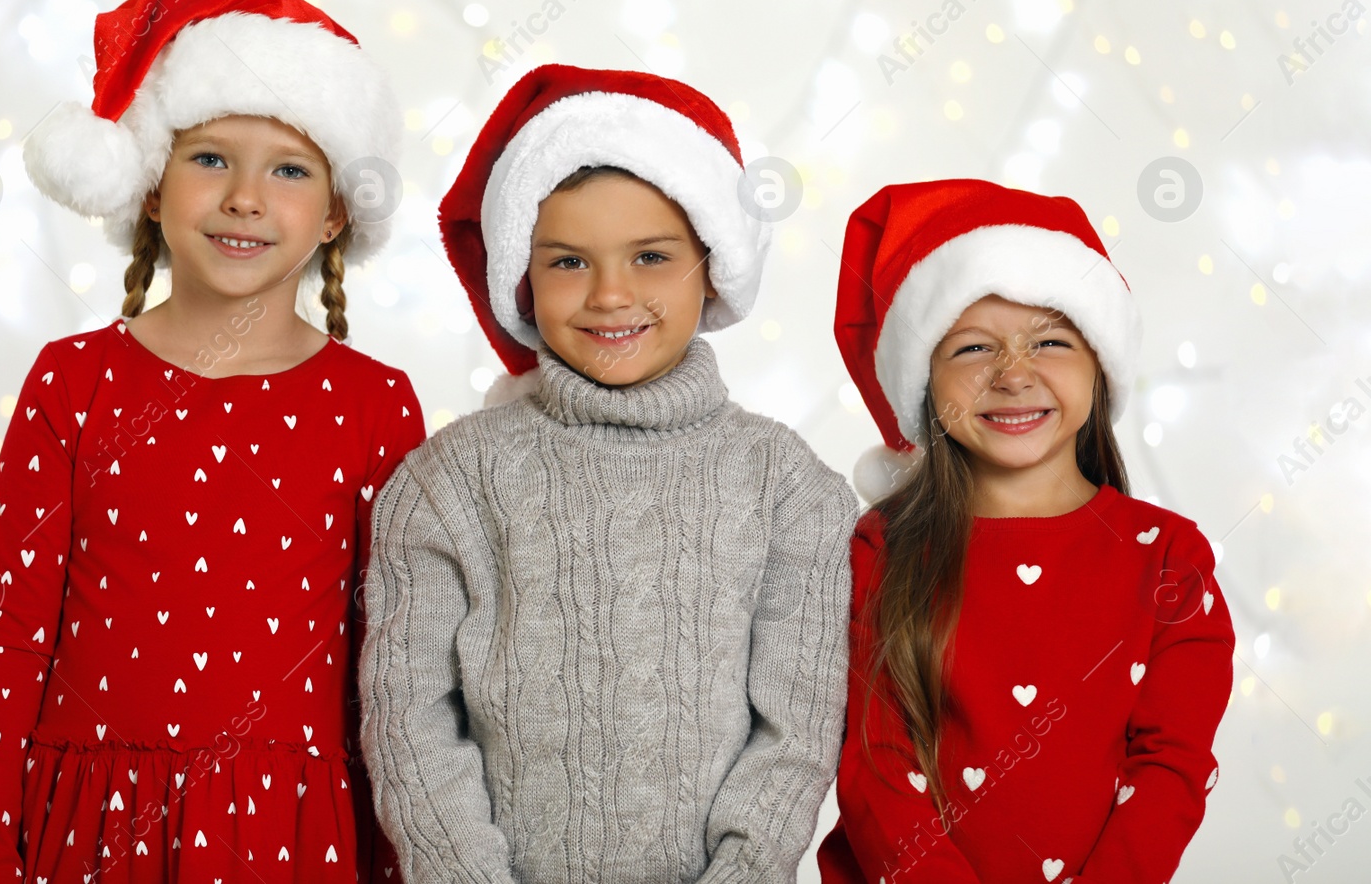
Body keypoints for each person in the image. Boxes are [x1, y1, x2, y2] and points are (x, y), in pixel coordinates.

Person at [0, 0, 423, 883]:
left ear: (334, 215)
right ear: (152, 190)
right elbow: (7, 636)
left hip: (293, 838)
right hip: (89, 829)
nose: (246, 197)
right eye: (210, 159)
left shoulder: (376, 405)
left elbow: (392, 661)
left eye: (289, 168)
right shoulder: (71, 382)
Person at [360, 64, 858, 883]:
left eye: (652, 257)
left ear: (712, 266)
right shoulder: (450, 482)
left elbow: (798, 731)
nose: (610, 295)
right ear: (522, 276)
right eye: (567, 263)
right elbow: (410, 718)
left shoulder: (787, 487)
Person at [820, 179, 1234, 883]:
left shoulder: (1168, 559)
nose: (1015, 375)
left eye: (1050, 341)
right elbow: (875, 769)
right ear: (923, 386)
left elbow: (1170, 768)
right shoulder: (882, 550)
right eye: (974, 349)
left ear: (1100, 367)